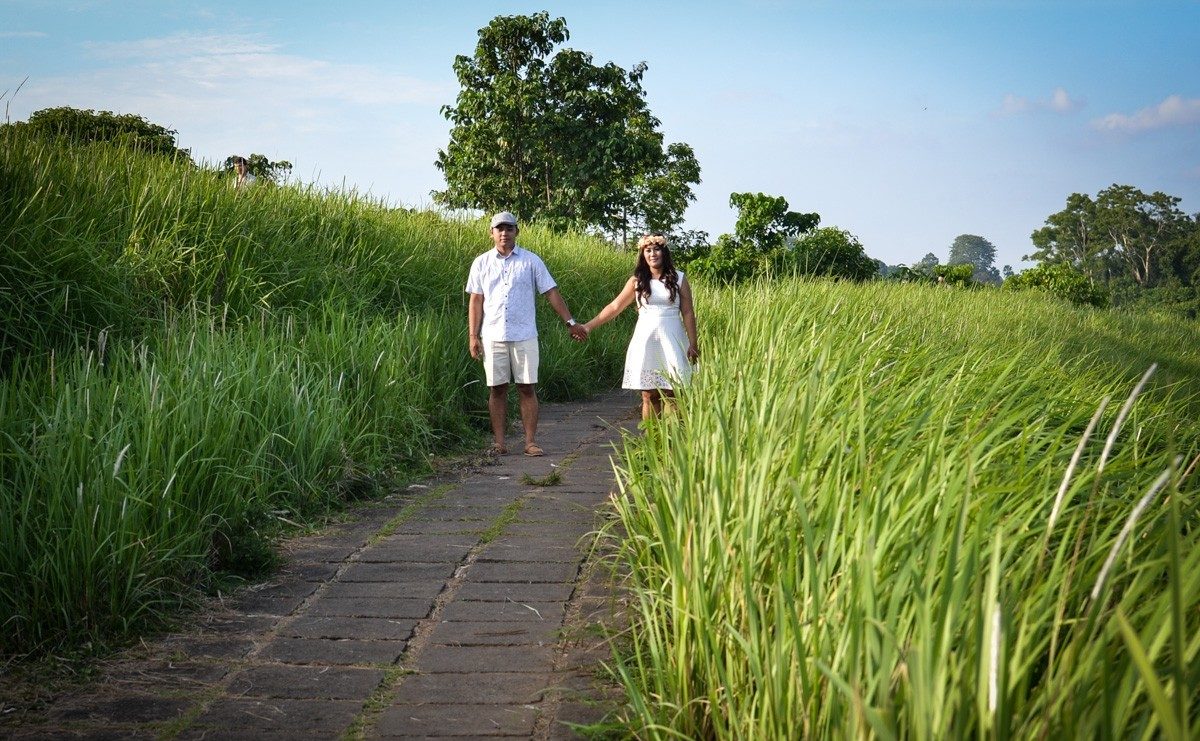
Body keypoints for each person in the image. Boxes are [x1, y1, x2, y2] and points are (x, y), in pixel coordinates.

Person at [466, 211, 585, 456]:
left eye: (509, 228)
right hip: (493, 334)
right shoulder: (481, 263)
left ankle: (530, 442)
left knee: (526, 387)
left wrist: (570, 322)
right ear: (491, 233)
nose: (504, 233)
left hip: (525, 334)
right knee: (497, 388)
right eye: (499, 229)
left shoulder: (531, 261)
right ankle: (499, 443)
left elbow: (551, 292)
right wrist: (473, 336)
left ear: (516, 232)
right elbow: (476, 300)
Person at [577, 233, 699, 421]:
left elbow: (688, 313)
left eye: (656, 249)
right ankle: (651, 441)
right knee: (649, 394)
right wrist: (588, 326)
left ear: (664, 252)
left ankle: (676, 444)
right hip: (646, 340)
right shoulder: (637, 281)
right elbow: (615, 306)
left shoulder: (679, 279)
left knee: (674, 392)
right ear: (643, 255)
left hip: (673, 339)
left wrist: (693, 343)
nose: (652, 254)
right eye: (648, 250)